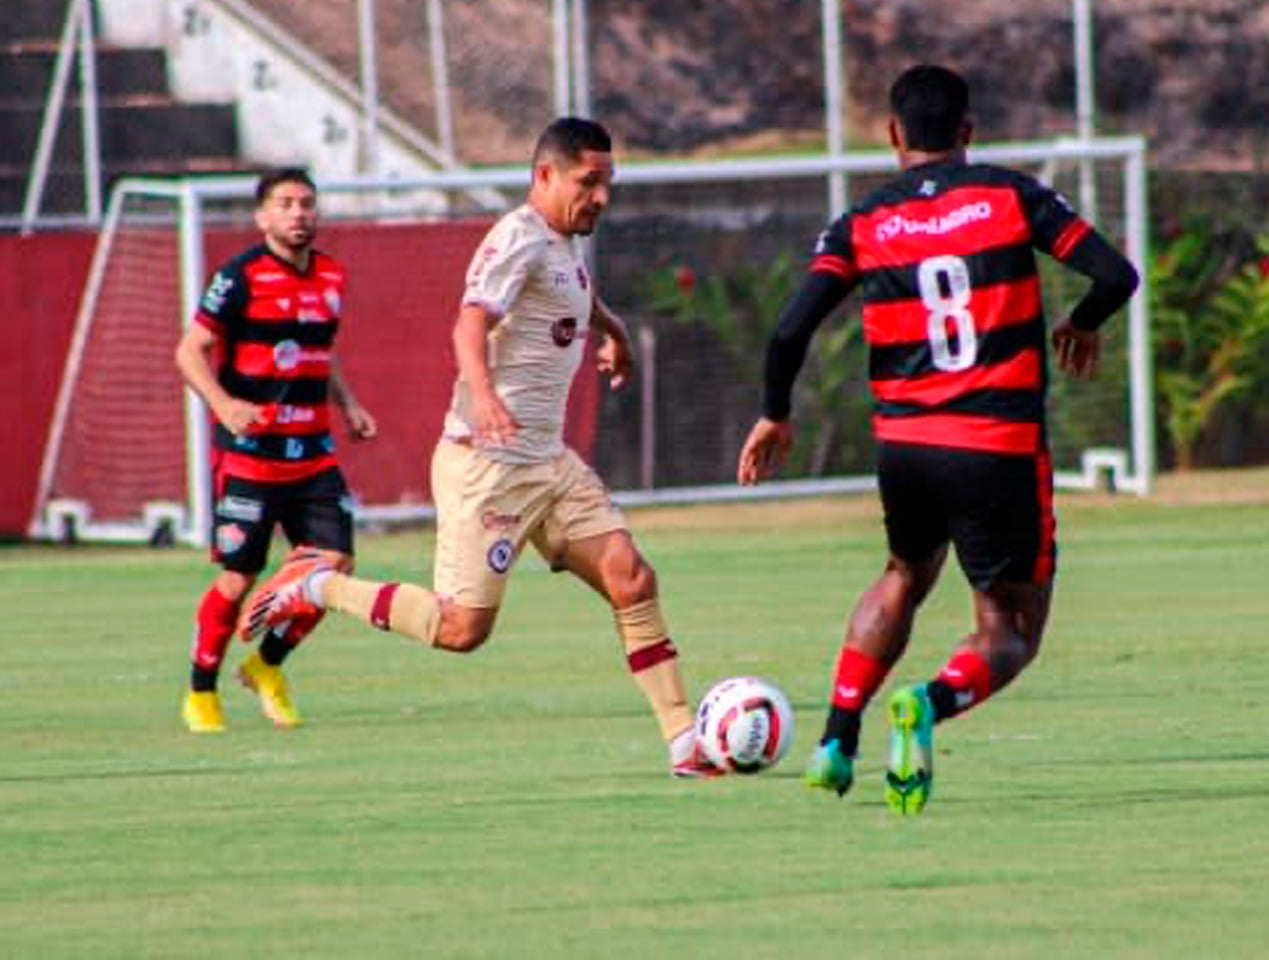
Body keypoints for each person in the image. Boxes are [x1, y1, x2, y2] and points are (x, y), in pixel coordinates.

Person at [238, 118, 719, 778]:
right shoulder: (517, 239)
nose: (603, 196)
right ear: (545, 176)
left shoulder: (559, 241)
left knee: (631, 579)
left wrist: (614, 332)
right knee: (460, 631)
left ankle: (685, 745)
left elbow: (569, 293)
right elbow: (469, 322)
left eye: (609, 182)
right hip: (486, 465)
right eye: (590, 182)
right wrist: (486, 395)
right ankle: (319, 585)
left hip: (548, 463)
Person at [737, 64, 1139, 813]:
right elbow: (1116, 274)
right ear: (968, 133)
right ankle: (927, 702)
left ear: (893, 136)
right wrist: (1081, 323)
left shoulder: (862, 222)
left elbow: (790, 328)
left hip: (906, 450)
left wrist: (774, 412)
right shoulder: (1011, 195)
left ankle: (835, 739)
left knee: (902, 575)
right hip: (996, 444)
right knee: (1010, 629)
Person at [175, 167, 377, 733]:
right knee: (239, 580)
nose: (298, 213)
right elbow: (189, 351)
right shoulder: (239, 277)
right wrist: (223, 405)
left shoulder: (331, 275)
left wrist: (349, 404)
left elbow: (320, 351)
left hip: (312, 453)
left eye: (307, 203)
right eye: (285, 203)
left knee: (335, 567)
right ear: (263, 216)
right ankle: (201, 693)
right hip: (250, 457)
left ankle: (266, 665)